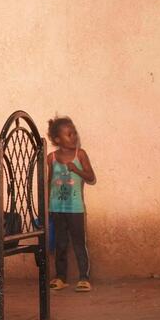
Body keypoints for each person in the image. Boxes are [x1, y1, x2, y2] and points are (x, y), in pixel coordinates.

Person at [47, 116, 96, 292]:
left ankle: (84, 277)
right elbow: (48, 182)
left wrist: (77, 170)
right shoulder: (51, 158)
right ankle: (61, 277)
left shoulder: (80, 155)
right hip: (56, 208)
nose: (74, 136)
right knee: (60, 244)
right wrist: (46, 207)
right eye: (69, 134)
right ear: (58, 140)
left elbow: (91, 178)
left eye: (74, 132)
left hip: (75, 209)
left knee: (78, 242)